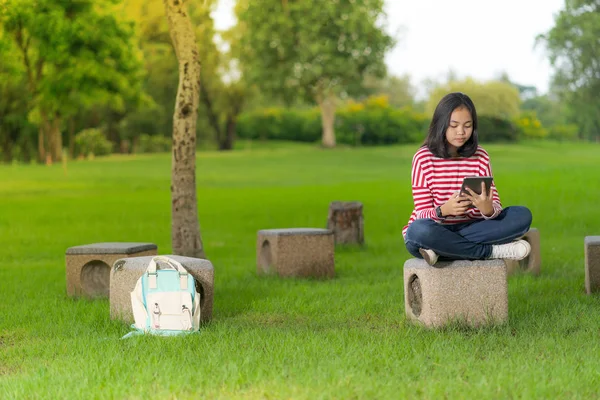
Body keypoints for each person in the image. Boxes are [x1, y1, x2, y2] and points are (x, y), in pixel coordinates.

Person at [403, 92, 532, 266]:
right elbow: (422, 214)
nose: (461, 132)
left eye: (467, 125)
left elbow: (496, 208)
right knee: (417, 232)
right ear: (441, 124)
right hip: (435, 228)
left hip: (474, 228)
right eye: (454, 125)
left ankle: (442, 250)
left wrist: (487, 210)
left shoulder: (480, 156)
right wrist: (444, 210)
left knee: (522, 216)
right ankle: (489, 251)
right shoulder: (423, 158)